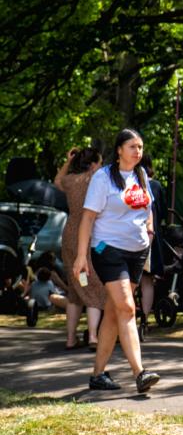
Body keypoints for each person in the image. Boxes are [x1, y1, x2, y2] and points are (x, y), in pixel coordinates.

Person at [72, 129, 160, 393]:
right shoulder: (103, 178)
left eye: (141, 147)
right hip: (107, 249)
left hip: (137, 251)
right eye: (132, 146)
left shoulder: (141, 175)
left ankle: (98, 374)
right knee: (128, 309)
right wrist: (80, 256)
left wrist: (150, 230)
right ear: (119, 149)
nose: (138, 152)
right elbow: (87, 218)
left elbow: (148, 208)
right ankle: (140, 373)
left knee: (113, 312)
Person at [54, 146, 104, 350]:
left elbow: (57, 181)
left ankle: (70, 338)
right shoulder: (95, 180)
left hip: (69, 235)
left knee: (75, 289)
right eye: (99, 163)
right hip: (90, 235)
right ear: (93, 165)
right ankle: (93, 336)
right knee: (94, 286)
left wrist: (68, 160)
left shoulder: (70, 181)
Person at [138, 155, 167, 338]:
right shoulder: (155, 186)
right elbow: (162, 212)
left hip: (128, 236)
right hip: (150, 237)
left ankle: (129, 317)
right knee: (147, 281)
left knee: (128, 282)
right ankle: (144, 320)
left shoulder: (125, 185)